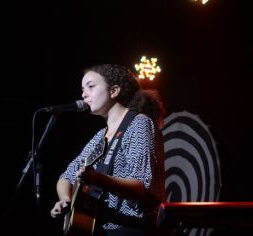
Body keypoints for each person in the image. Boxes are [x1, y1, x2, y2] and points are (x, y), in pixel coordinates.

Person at [50, 64, 166, 236]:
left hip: (132, 227)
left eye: (90, 86)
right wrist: (66, 200)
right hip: (101, 228)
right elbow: (66, 177)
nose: (83, 94)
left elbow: (142, 186)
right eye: (82, 89)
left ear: (114, 91)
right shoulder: (100, 136)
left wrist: (97, 178)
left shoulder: (139, 124)